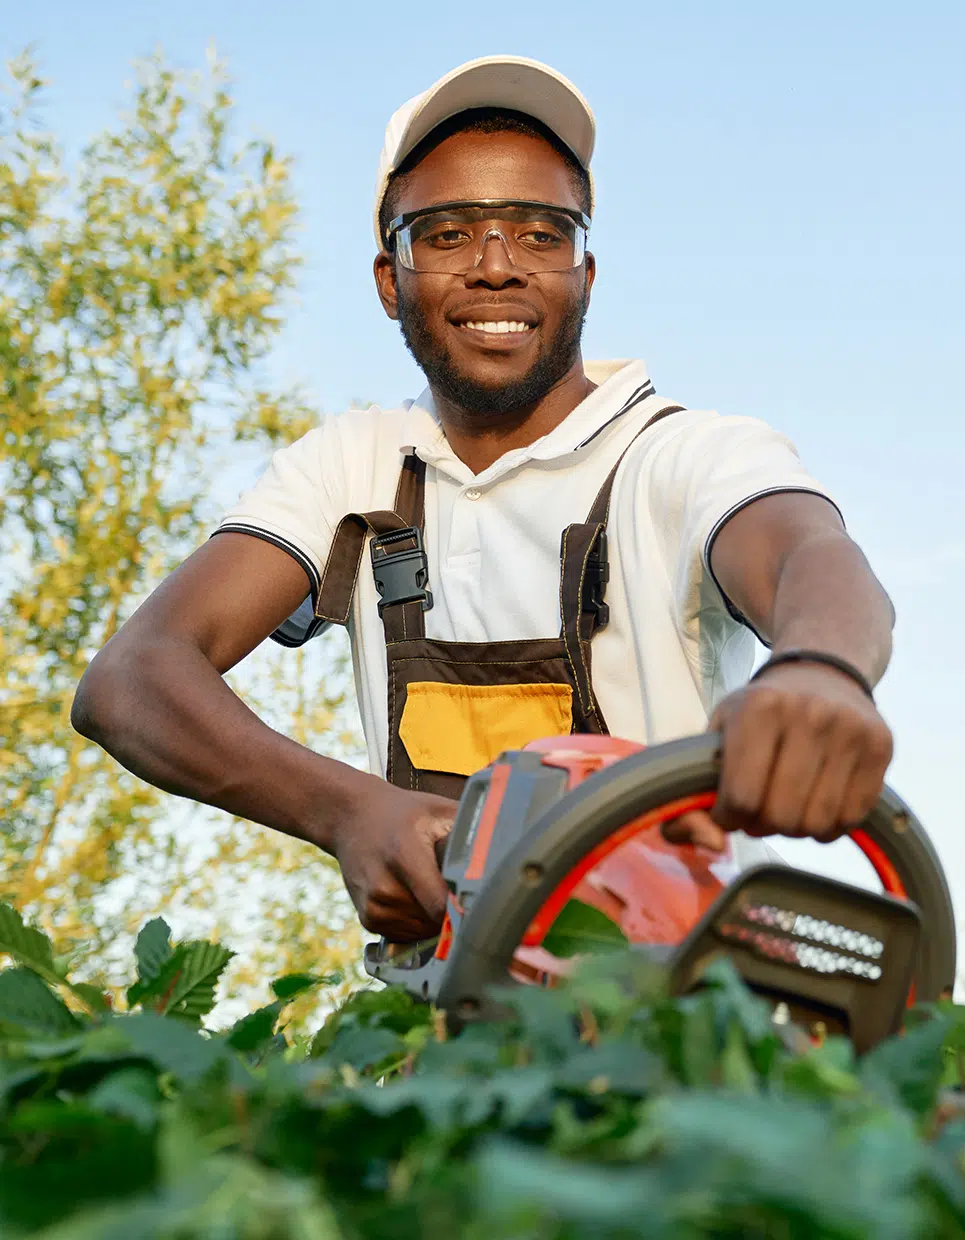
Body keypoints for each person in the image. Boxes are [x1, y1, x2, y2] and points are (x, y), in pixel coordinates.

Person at [72, 55, 895, 946]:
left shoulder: (682, 454)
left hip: (697, 1009)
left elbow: (809, 555)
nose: (498, 267)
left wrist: (822, 670)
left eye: (542, 234)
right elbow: (132, 680)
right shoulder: (354, 469)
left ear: (584, 274)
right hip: (459, 1039)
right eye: (448, 232)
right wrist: (349, 812)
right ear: (390, 279)